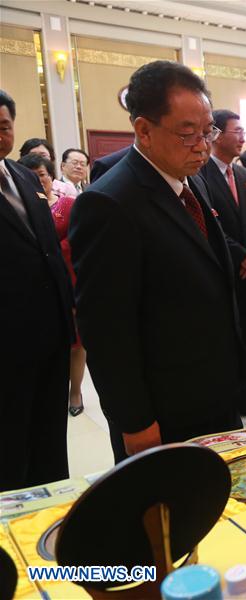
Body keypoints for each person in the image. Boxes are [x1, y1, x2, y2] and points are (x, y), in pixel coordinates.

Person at [69, 61, 246, 463]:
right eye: (188, 134)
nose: (203, 145)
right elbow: (106, 329)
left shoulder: (193, 179)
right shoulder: (109, 203)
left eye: (208, 131)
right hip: (163, 406)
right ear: (143, 130)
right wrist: (134, 421)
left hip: (213, 387)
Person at [0, 89, 74, 490]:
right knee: (10, 443)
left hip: (50, 330)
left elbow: (46, 247)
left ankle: (52, 505)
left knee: (48, 434)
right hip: (7, 340)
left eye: (4, 126)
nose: (0, 134)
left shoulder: (25, 176)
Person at [199, 109, 246, 417]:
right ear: (216, 134)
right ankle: (231, 395)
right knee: (227, 338)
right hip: (224, 269)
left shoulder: (242, 174)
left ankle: (243, 395)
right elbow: (208, 226)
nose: (243, 137)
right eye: (237, 131)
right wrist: (242, 256)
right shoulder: (199, 174)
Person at [19, 153, 85, 417]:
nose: (38, 180)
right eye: (31, 176)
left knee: (77, 342)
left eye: (42, 175)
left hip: (70, 284)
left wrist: (48, 251)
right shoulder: (19, 208)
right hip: (34, 288)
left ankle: (76, 391)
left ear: (51, 175)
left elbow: (78, 240)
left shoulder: (68, 205)